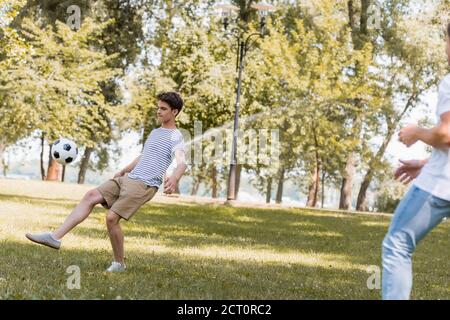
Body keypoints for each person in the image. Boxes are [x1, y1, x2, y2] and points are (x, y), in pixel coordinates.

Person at [26, 92, 187, 272]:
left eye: (163, 109)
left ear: (174, 112)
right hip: (129, 178)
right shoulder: (156, 132)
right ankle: (54, 237)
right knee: (91, 195)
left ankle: (119, 264)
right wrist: (124, 170)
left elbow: (182, 163)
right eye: (158, 107)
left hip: (145, 184)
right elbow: (143, 156)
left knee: (111, 218)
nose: (159, 111)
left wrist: (174, 177)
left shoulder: (176, 136)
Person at [381, 23, 450, 299]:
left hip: (440, 187)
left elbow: (446, 135)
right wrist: (424, 163)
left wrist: (416, 132)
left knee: (397, 244)